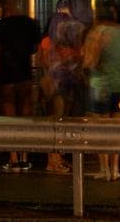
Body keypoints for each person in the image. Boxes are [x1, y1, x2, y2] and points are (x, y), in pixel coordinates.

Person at [84, 0, 120, 181]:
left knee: (100, 130)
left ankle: (104, 169)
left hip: (101, 85)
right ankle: (115, 169)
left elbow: (91, 62)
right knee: (117, 130)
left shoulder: (97, 33)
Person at [0, 12, 41, 172]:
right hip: (25, 74)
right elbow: (35, 49)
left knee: (9, 120)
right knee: (25, 118)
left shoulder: (1, 25)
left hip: (6, 75)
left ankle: (13, 159)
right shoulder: (30, 23)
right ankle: (24, 158)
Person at [40, 14, 86, 173]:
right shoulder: (49, 43)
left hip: (67, 86)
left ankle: (58, 157)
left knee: (63, 121)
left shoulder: (67, 44)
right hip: (57, 86)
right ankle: (53, 160)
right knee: (57, 121)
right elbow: (48, 64)